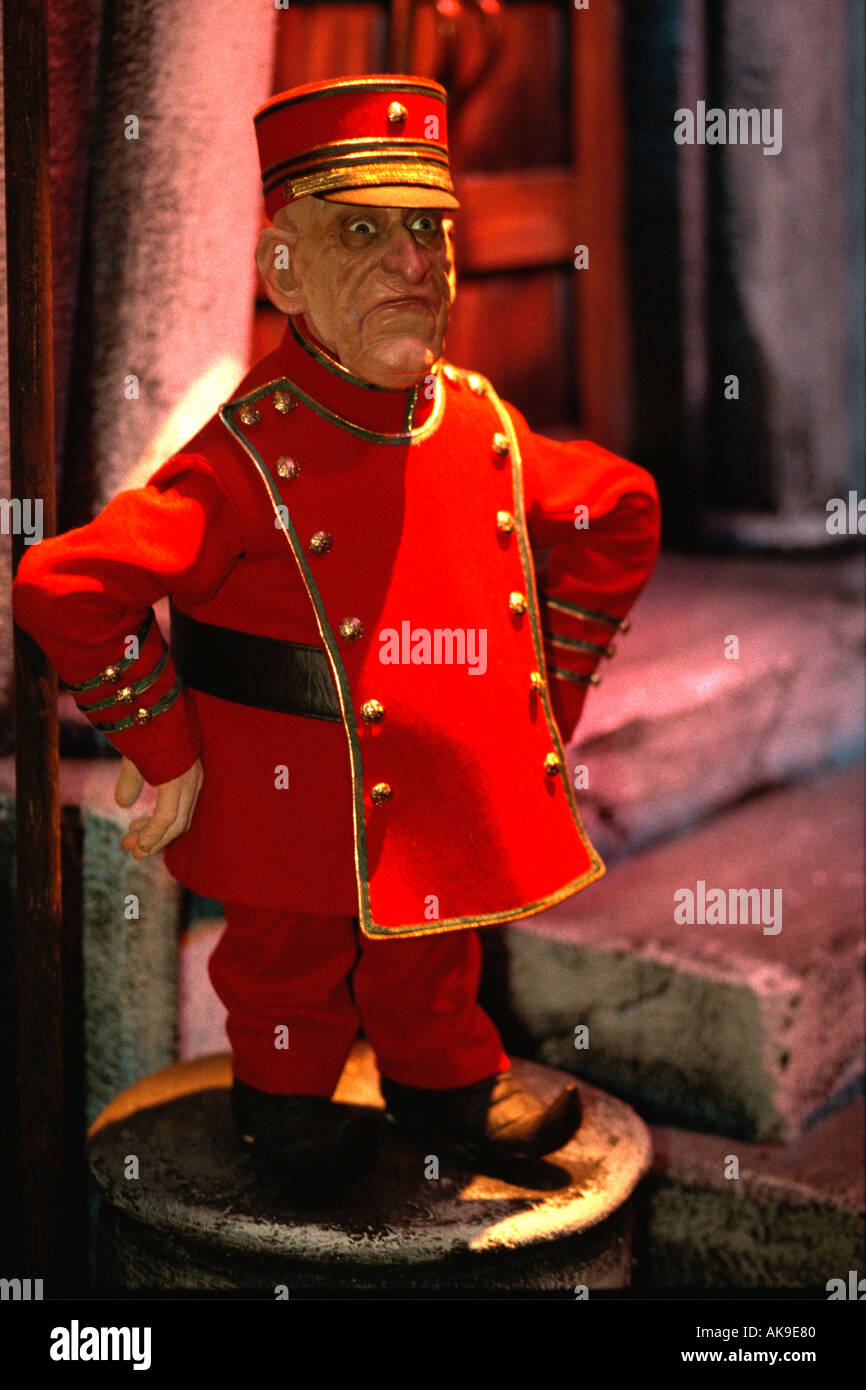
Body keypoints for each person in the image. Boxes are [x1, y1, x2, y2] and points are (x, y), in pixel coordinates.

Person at [13, 74, 660, 1195]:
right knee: (284, 965)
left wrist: (545, 699)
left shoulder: (482, 424)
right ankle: (286, 1114)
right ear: (283, 273)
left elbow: (621, 511)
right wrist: (162, 742)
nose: (412, 265)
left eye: (427, 231)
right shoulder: (240, 455)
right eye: (362, 232)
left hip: (441, 809)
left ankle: (450, 1087)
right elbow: (64, 583)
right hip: (286, 796)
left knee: (436, 949)